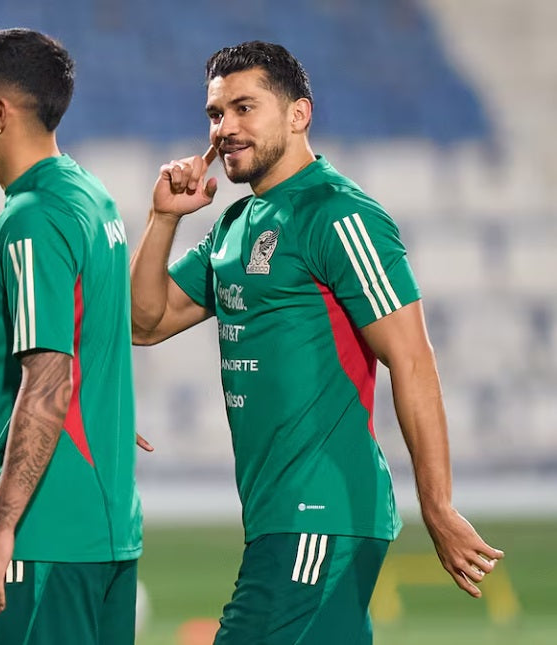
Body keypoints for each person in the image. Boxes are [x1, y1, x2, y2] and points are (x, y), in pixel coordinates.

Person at [129, 40, 504, 644]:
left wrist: (437, 505)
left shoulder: (339, 214)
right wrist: (164, 218)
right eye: (215, 114)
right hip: (280, 515)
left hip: (320, 515)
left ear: (298, 114)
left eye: (244, 108)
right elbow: (143, 323)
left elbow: (411, 359)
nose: (224, 128)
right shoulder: (233, 225)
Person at [0, 28, 143, 644]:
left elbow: (50, 378)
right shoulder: (89, 196)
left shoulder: (32, 219)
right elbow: (90, 351)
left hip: (45, 538)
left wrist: (0, 524)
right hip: (107, 534)